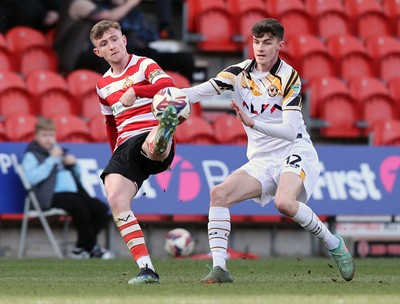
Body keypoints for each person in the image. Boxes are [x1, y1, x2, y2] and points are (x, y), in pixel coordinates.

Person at [181, 18, 356, 283]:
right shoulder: (238, 72)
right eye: (256, 42)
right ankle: (220, 268)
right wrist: (159, 95)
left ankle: (334, 244)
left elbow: (290, 130)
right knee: (219, 194)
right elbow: (197, 92)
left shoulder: (289, 77)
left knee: (284, 203)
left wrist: (254, 123)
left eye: (267, 42)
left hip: (293, 149)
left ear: (279, 45)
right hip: (262, 158)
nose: (260, 48)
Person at [90, 20, 182, 284]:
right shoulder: (102, 86)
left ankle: (164, 133)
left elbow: (169, 84)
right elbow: (109, 124)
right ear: (99, 52)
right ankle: (147, 269)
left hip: (147, 133)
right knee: (115, 198)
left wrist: (136, 90)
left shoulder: (144, 65)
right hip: (125, 146)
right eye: (104, 44)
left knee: (151, 143)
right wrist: (114, 157)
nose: (111, 46)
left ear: (124, 39)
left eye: (114, 39)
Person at [21, 117, 114, 259]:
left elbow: (76, 177)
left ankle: (80, 248)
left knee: (101, 209)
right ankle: (93, 248)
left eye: (51, 135)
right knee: (78, 206)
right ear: (36, 136)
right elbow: (32, 178)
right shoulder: (31, 155)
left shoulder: (59, 152)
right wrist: (51, 160)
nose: (48, 139)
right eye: (44, 135)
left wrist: (74, 165)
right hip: (51, 195)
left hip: (72, 193)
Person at [54, 0, 194, 82]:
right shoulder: (79, 3)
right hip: (77, 56)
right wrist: (130, 3)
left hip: (113, 52)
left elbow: (150, 35)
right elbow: (107, 19)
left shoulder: (113, 7)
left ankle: (183, 100)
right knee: (112, 59)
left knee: (182, 59)